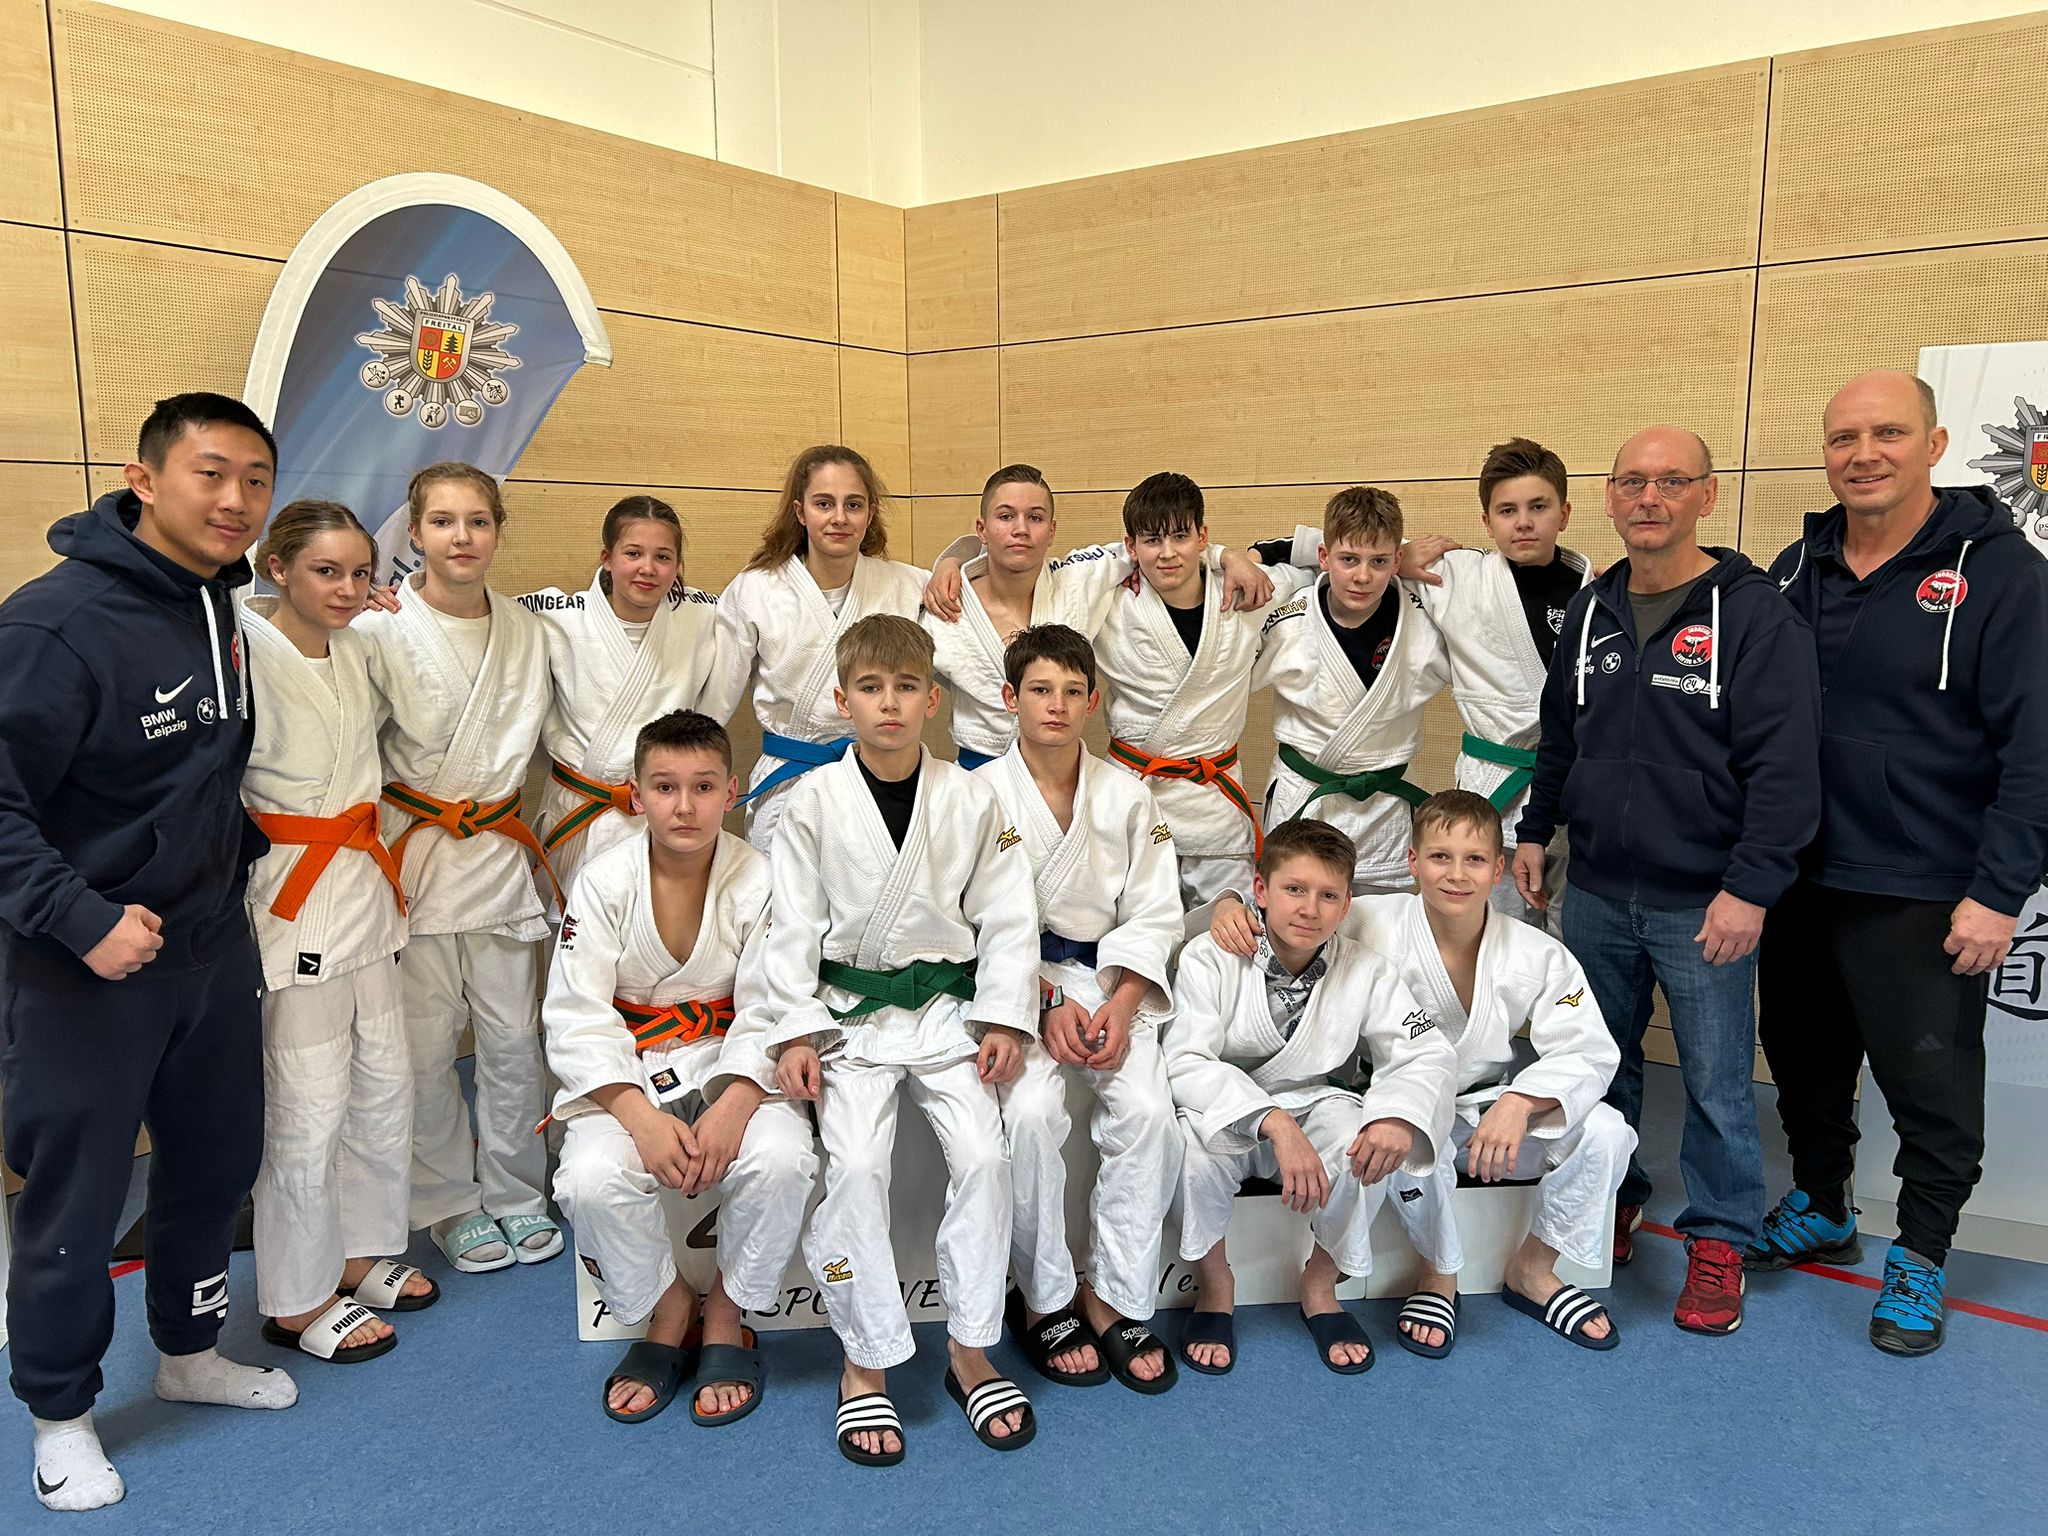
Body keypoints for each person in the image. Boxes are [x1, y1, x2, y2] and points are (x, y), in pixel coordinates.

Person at [0, 392, 298, 1513]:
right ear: (144, 479)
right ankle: (61, 1415)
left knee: (214, 1166)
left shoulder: (218, 603)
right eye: (211, 473)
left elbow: (195, 773)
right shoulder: (54, 625)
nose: (235, 500)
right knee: (75, 1201)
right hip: (81, 965)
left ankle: (188, 1349)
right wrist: (82, 919)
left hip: (209, 947)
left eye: (255, 480)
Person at [1756, 368, 2048, 1355]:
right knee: (1803, 1063)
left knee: (1928, 1087)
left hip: (1922, 885)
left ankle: (1920, 1255)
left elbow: (2035, 747)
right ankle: (1821, 1203)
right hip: (1799, 876)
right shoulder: (1796, 567)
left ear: (1933, 443)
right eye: (1843, 437)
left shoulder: (2002, 573)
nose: (1863, 453)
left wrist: (1997, 892)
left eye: (1886, 432)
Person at [1514, 426, 1822, 1335]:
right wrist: (1534, 831)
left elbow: (1786, 772)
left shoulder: (1756, 617)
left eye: (1672, 481)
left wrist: (1750, 888)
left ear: (1707, 496)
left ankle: (1720, 1237)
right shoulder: (1590, 611)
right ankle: (1613, 1197)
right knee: (1599, 1065)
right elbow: (1561, 740)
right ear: (1610, 498)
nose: (1650, 498)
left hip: (1706, 899)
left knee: (1719, 1085)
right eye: (1633, 483)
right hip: (1597, 890)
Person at [751, 616, 1039, 1465]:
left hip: (947, 1013)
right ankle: (864, 1360)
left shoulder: (973, 797)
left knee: (985, 1158)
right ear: (843, 701)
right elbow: (790, 929)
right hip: (849, 1016)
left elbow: (1009, 916)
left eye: (906, 688)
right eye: (871, 688)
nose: (890, 704)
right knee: (855, 1170)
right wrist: (795, 1030)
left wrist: (1004, 1015)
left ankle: (971, 1348)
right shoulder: (811, 802)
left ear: (932, 702)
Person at [1209, 791, 1630, 1355]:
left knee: (1606, 1131)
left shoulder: (1538, 953)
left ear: (1498, 868)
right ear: (1412, 861)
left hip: (1489, 1113)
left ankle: (1534, 1268)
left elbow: (1588, 1049)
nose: (1456, 874)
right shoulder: (1370, 918)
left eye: (1474, 859)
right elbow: (1294, 903)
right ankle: (1437, 1275)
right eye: (1439, 857)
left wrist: (1522, 1103)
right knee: (1412, 1124)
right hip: (1393, 1103)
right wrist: (1229, 903)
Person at [545, 711, 817, 1421]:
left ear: (733, 791)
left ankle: (726, 1310)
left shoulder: (763, 877)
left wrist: (737, 1102)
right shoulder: (601, 881)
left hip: (733, 1057)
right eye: (665, 787)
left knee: (784, 1160)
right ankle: (668, 1310)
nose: (685, 806)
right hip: (629, 1065)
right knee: (590, 1178)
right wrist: (638, 1117)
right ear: (636, 795)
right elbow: (575, 1012)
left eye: (703, 786)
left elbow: (774, 1000)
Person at [356, 462, 563, 1276]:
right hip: (418, 858)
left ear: (498, 531)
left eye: (478, 521)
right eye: (443, 522)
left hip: (500, 854)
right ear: (414, 533)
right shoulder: (378, 629)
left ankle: (516, 1192)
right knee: (426, 1045)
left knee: (513, 1040)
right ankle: (447, 1201)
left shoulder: (528, 630)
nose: (462, 537)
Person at [1162, 818, 1455, 1376]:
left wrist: (1397, 1117)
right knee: (1189, 1151)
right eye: (1294, 889)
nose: (1309, 909)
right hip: (1226, 1109)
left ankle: (1320, 1283)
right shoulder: (1210, 956)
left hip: (1315, 1102)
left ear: (1346, 906)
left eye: (1328, 896)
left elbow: (1426, 1052)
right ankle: (1216, 1284)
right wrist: (1273, 1121)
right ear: (1261, 889)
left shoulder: (1366, 969)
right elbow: (1185, 1061)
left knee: (1362, 1142)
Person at [242, 502, 427, 1366]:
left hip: (363, 888)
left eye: (361, 573)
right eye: (327, 571)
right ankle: (298, 1295)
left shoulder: (355, 646)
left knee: (383, 1085)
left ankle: (358, 1252)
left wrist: (393, 608)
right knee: (306, 1105)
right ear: (276, 568)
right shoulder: (242, 651)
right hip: (294, 896)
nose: (349, 589)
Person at [980, 626, 1184, 1393]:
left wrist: (1125, 1003)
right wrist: (1039, 998)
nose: (1056, 705)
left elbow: (1156, 911)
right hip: (1018, 981)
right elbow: (965, 919)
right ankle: (1043, 1297)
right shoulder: (977, 795)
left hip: (1110, 980)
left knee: (1151, 1115)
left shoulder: (1129, 796)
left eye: (1072, 691)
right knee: (1031, 1114)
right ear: (1011, 698)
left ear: (1093, 702)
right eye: (1040, 689)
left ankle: (1112, 1294)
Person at [920, 463, 1273, 769]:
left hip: (1063, 780)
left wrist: (1228, 557)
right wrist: (951, 561)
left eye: (1035, 517)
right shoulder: (942, 607)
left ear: (1052, 530)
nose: (1021, 529)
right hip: (980, 778)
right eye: (1006, 516)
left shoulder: (1079, 580)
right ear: (982, 529)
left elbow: (1155, 542)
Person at [1090, 473, 1303, 907]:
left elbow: (1324, 559)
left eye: (1181, 537)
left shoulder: (1246, 592)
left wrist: (1238, 556)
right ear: (1131, 547)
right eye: (1152, 540)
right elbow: (1046, 569)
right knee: (1136, 930)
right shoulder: (1109, 601)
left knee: (1230, 931)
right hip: (1135, 799)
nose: (1167, 553)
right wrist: (954, 564)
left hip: (1215, 807)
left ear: (1202, 536)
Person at [711, 446, 926, 850]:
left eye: (854, 505)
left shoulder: (907, 585)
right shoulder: (755, 589)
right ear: (800, 511)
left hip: (882, 774)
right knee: (783, 889)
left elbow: (974, 582)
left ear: (870, 513)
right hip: (790, 780)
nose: (839, 517)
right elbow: (714, 705)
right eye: (824, 504)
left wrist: (952, 564)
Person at [525, 495, 741, 889]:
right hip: (579, 811)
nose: (648, 568)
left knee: (660, 917)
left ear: (677, 565)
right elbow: (479, 618)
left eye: (663, 557)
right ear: (606, 558)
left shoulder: (705, 621)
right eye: (633, 553)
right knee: (574, 921)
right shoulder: (558, 620)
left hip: (663, 812)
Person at [1252, 487, 1447, 890]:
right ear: (1323, 557)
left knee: (1385, 920)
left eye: (1379, 561)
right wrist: (1242, 557)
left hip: (1386, 807)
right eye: (1348, 560)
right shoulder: (1289, 616)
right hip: (1305, 797)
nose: (1362, 576)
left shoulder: (1423, 615)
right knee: (1298, 915)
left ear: (1397, 561)